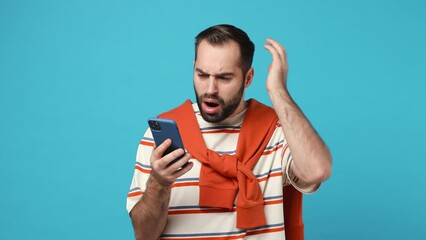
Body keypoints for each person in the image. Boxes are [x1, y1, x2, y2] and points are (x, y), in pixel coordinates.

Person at [127, 24, 332, 240]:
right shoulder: (163, 136)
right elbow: (144, 235)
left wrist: (278, 91)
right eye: (202, 75)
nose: (210, 89)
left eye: (224, 78)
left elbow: (317, 170)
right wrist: (159, 183)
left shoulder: (277, 131)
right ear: (193, 68)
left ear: (248, 78)